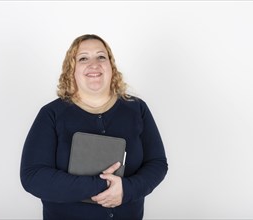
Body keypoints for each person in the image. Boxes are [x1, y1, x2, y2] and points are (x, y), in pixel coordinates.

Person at [20, 34, 168, 220]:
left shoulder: (137, 109)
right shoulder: (51, 114)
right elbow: (33, 176)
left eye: (101, 56)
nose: (94, 64)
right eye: (83, 58)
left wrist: (126, 189)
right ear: (71, 69)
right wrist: (103, 186)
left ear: (111, 66)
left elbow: (157, 164)